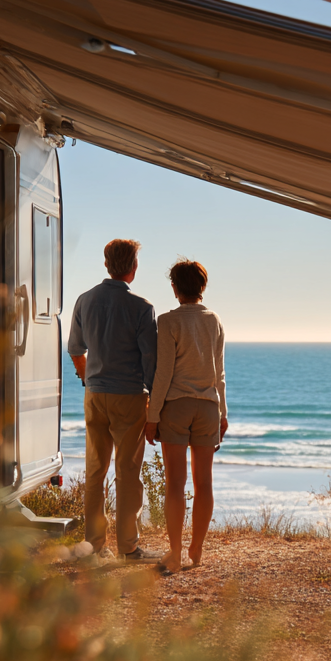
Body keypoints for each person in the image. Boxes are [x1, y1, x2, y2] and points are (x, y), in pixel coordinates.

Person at [67, 239, 160, 562]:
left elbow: (76, 350)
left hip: (95, 395)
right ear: (133, 268)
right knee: (127, 471)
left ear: (106, 265)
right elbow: (151, 362)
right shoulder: (142, 307)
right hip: (129, 397)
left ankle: (94, 545)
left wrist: (86, 378)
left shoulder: (84, 300)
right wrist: (153, 405)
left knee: (95, 470)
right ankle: (128, 547)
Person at [144, 259, 228, 573]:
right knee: (204, 483)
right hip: (208, 406)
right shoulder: (214, 320)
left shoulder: (167, 321)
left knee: (175, 484)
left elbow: (163, 373)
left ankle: (176, 552)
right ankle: (197, 550)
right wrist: (223, 412)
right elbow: (219, 373)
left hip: (176, 406)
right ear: (202, 287)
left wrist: (152, 416)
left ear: (175, 287)